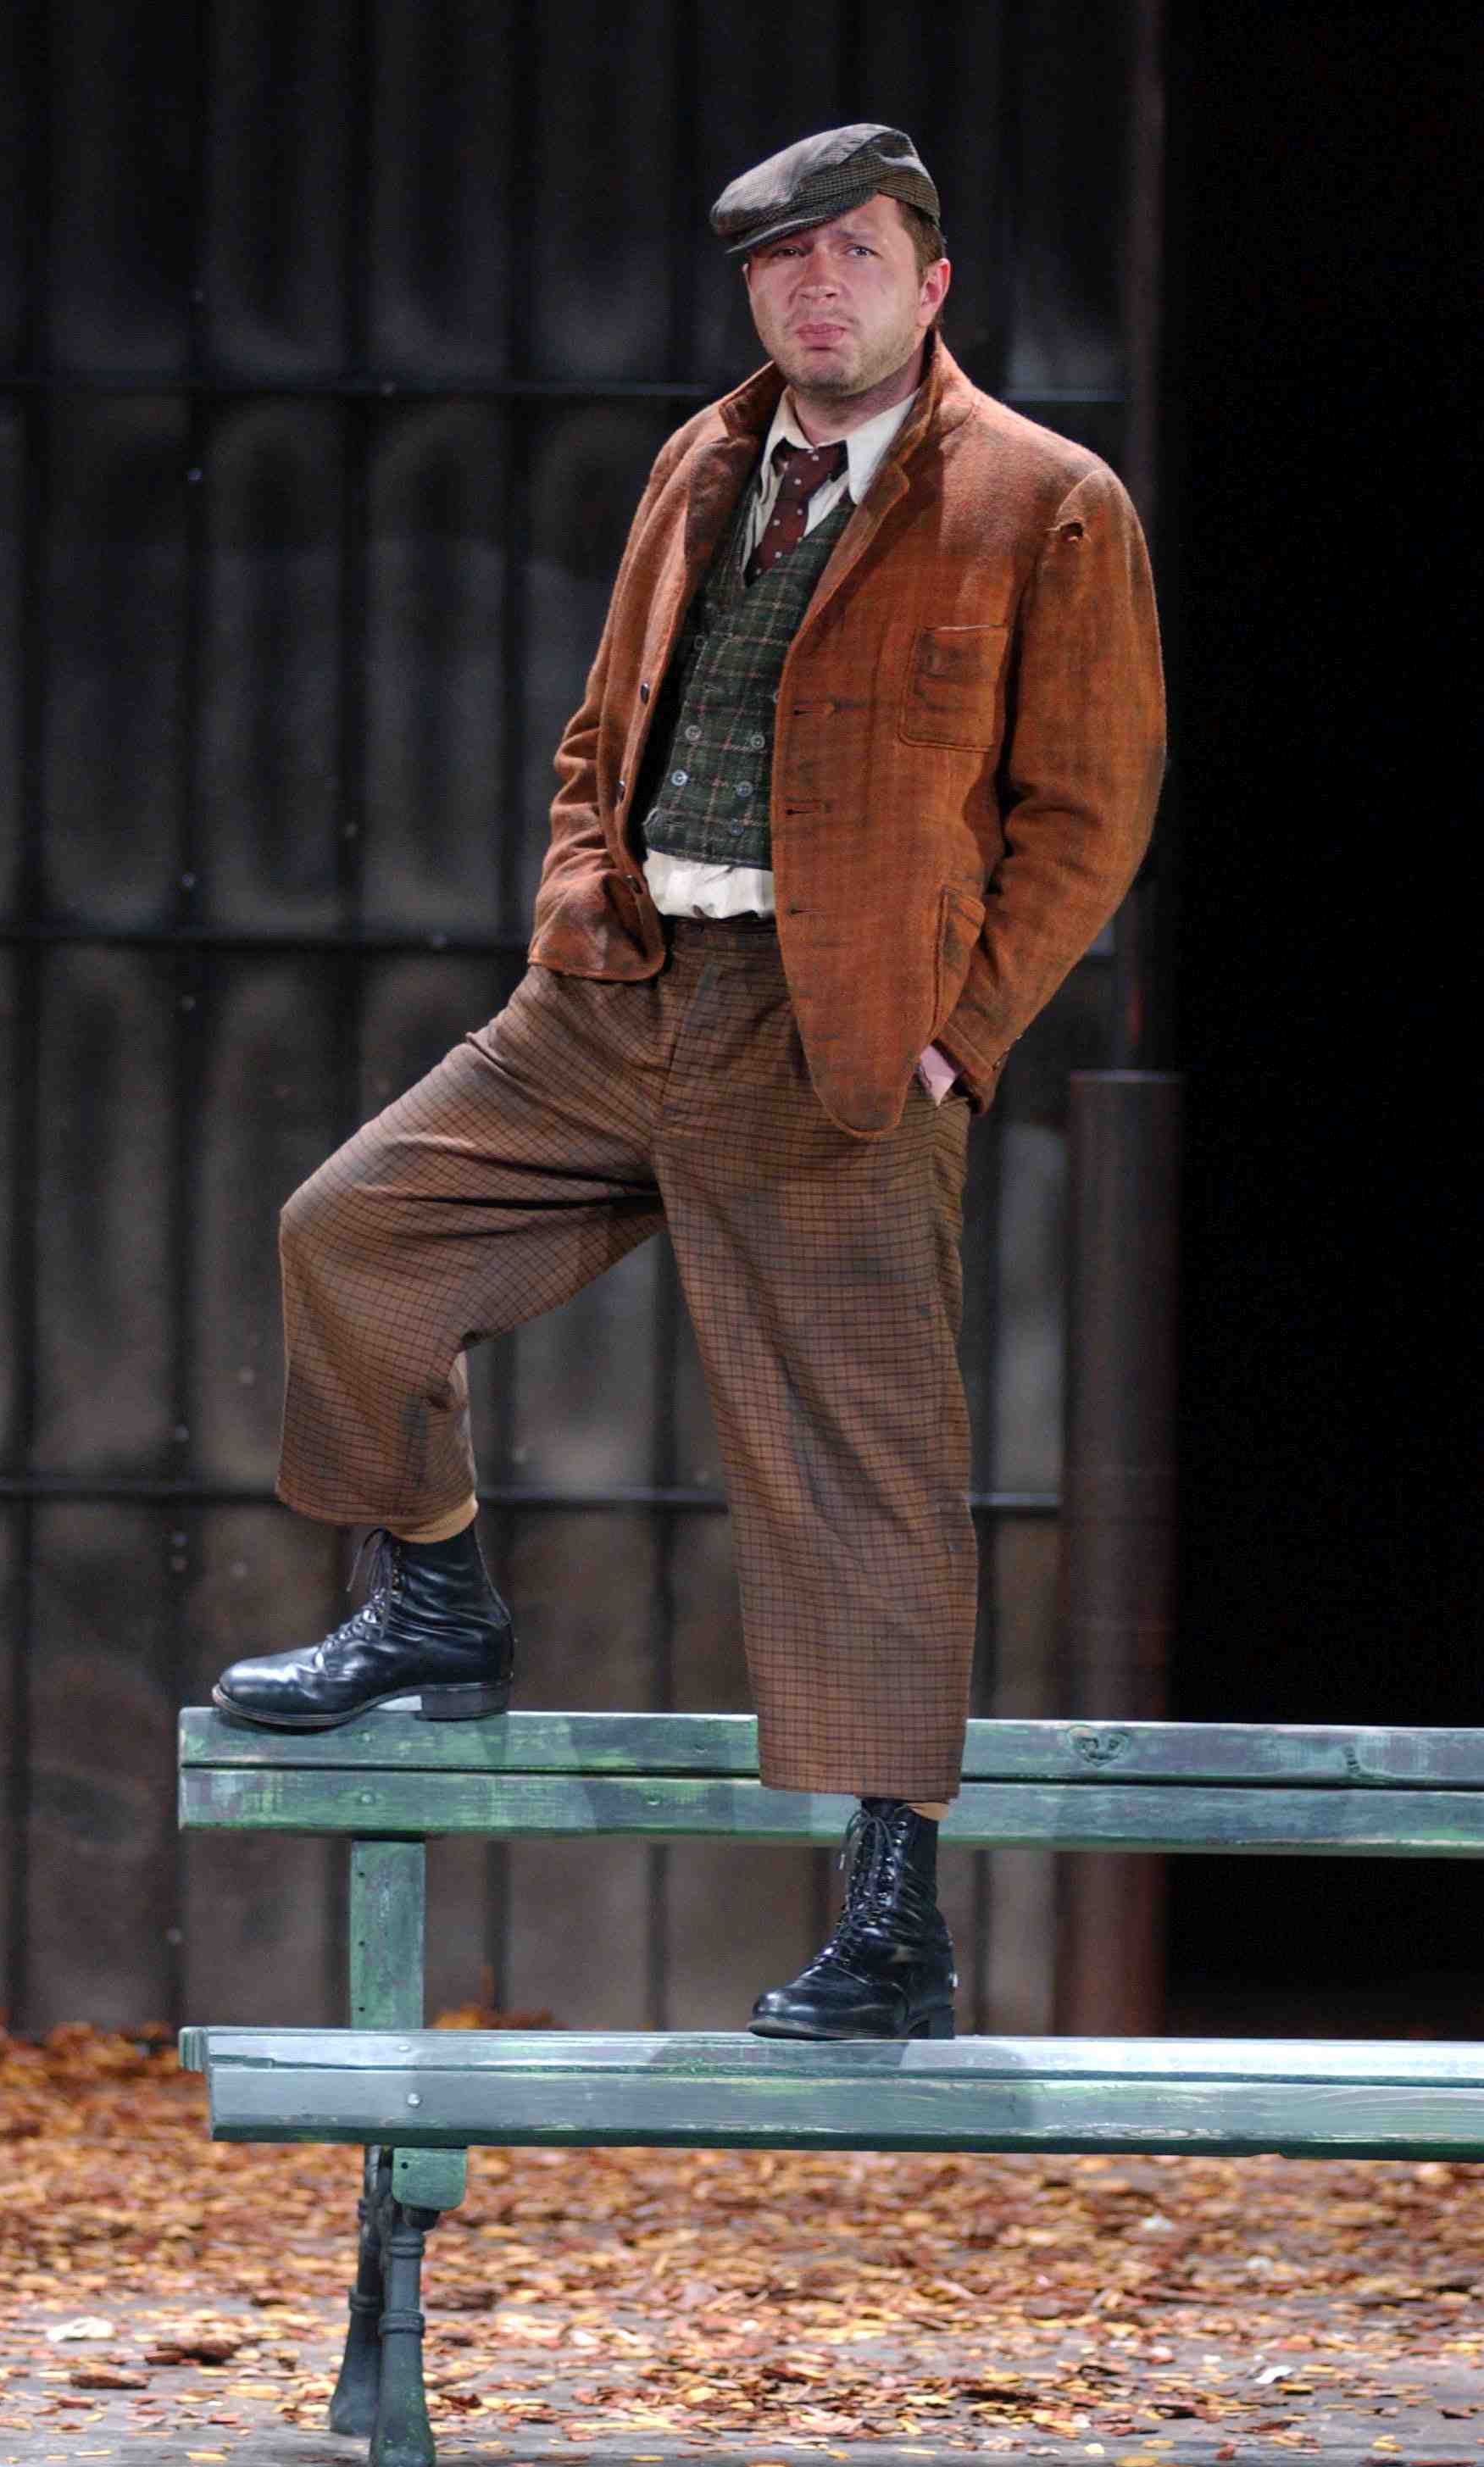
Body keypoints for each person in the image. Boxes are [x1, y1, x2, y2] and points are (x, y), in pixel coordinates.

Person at [214, 124, 1166, 2042]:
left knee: (858, 1472)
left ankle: (891, 1924)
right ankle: (437, 1604)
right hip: (619, 993)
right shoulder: (701, 460)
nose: (816, 288)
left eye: (854, 253)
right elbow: (602, 731)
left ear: (931, 282)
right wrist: (579, 901)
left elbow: (1090, 806)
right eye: (780, 260)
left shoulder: (1043, 500)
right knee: (355, 1236)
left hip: (836, 1036)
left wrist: (960, 1031)